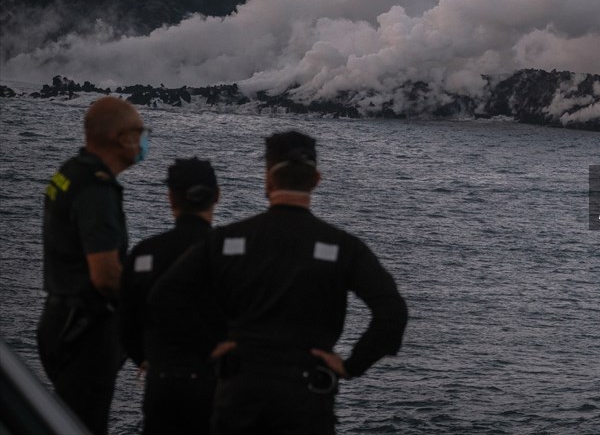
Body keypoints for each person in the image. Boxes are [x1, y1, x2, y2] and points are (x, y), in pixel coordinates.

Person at [150, 131, 408, 435]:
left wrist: (207, 346)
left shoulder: (227, 240)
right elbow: (392, 311)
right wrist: (353, 364)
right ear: (316, 180)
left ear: (268, 179)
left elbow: (164, 297)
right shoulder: (343, 247)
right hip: (307, 395)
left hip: (240, 390)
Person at [37, 96, 148, 435]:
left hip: (60, 320)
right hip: (85, 331)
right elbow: (105, 276)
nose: (144, 140)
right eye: (140, 132)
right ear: (121, 138)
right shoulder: (96, 190)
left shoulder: (70, 172)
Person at [119, 158, 222, 435]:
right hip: (216, 385)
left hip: (162, 381)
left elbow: (126, 324)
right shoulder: (231, 255)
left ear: (170, 197)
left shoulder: (145, 252)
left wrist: (146, 358)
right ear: (217, 196)